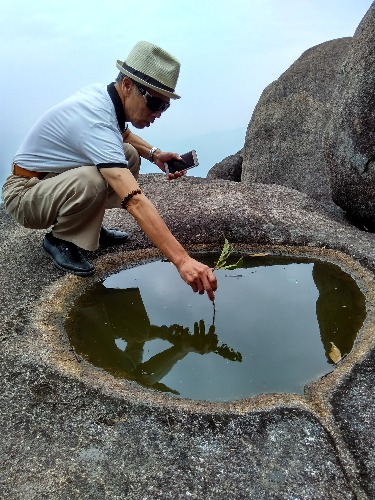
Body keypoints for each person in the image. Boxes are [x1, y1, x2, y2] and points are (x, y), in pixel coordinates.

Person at [2, 41, 217, 301]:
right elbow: (134, 200)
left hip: (50, 181)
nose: (158, 113)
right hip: (25, 195)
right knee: (93, 179)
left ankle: (87, 226)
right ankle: (60, 240)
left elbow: (122, 133)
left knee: (128, 156)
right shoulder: (95, 120)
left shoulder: (106, 97)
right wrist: (182, 261)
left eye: (165, 105)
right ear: (127, 85)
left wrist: (155, 155)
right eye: (154, 103)